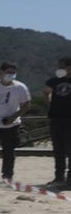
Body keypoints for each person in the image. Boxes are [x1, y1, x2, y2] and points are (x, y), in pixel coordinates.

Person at [0, 62, 31, 182]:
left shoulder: (20, 87)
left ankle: (7, 176)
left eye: (13, 72)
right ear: (1, 72)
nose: (11, 75)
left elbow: (27, 105)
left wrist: (13, 117)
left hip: (11, 125)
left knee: (9, 152)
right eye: (8, 72)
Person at [43, 57, 71, 187]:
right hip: (56, 118)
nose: (61, 69)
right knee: (58, 149)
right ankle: (59, 176)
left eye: (63, 66)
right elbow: (46, 91)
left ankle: (69, 179)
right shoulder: (54, 80)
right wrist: (50, 103)